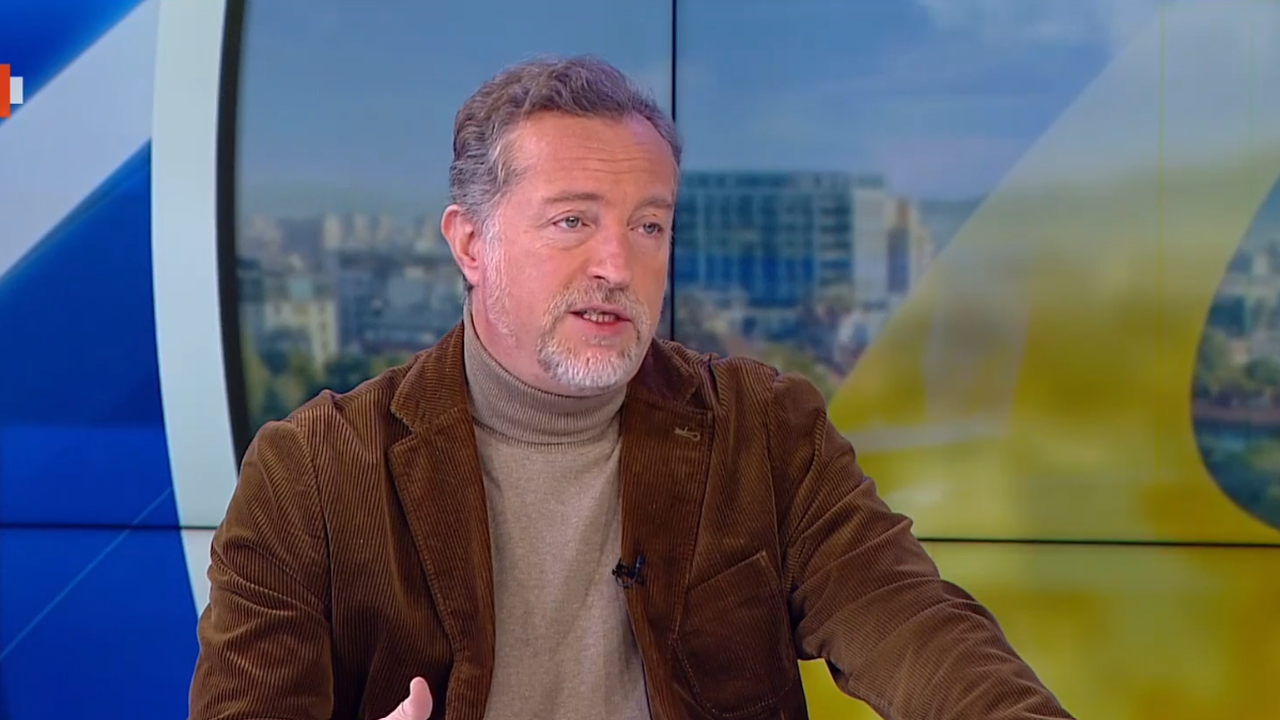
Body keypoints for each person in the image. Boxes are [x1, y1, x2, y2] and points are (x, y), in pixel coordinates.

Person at [188, 55, 1073, 720]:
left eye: (649, 226)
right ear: (470, 243)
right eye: (573, 220)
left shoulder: (765, 432)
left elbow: (912, 623)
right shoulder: (312, 474)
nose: (617, 264)